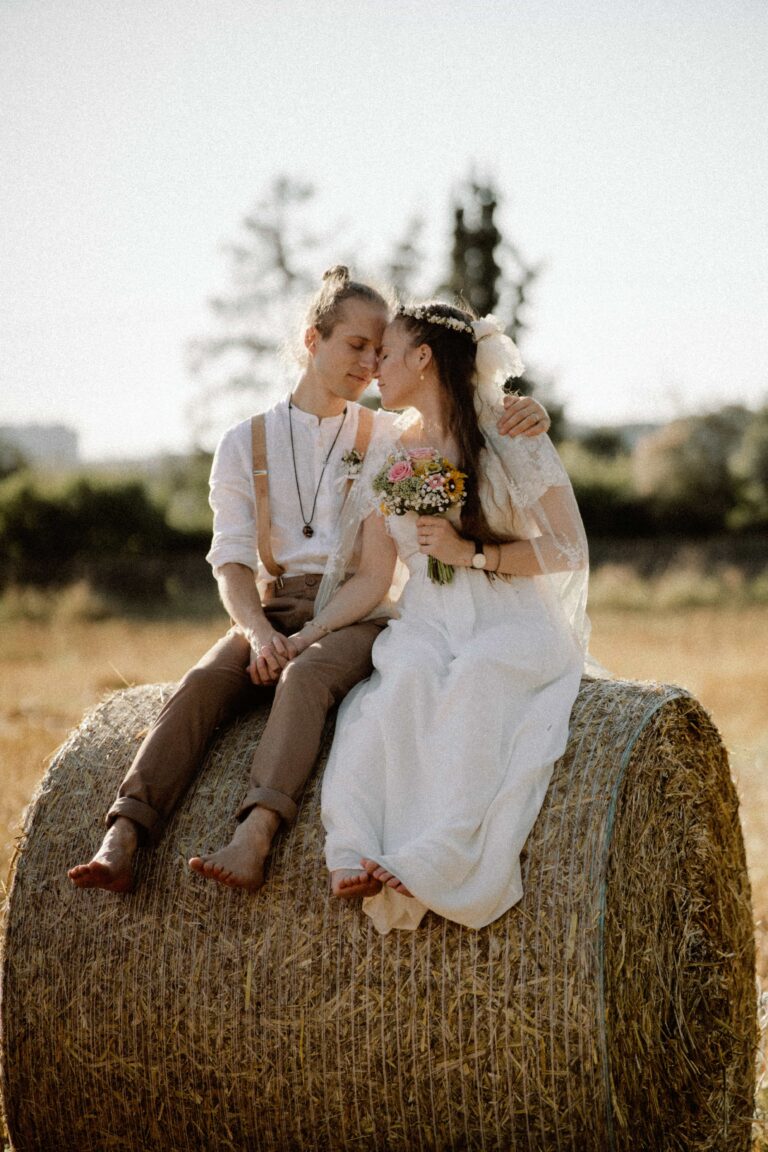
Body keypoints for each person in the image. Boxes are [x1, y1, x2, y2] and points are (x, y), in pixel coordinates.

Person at [68, 268, 550, 895]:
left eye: (381, 351)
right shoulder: (242, 443)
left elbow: (460, 426)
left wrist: (522, 410)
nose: (371, 363)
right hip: (270, 607)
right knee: (202, 682)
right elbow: (233, 563)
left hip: (358, 608)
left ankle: (255, 834)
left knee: (306, 675)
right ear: (311, 339)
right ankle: (123, 834)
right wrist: (259, 631)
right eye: (356, 345)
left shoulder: (388, 434)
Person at [320, 301, 589, 933]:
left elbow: (569, 547)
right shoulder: (389, 447)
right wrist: (312, 630)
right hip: (426, 621)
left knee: (477, 676)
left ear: (423, 359)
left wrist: (473, 553)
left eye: (386, 354)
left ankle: (439, 853)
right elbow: (373, 576)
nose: (375, 367)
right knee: (391, 694)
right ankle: (350, 850)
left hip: (509, 618)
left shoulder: (509, 429)